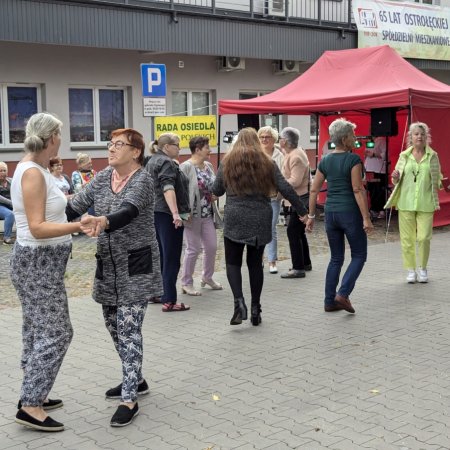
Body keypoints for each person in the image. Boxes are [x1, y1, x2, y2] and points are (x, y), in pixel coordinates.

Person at [67, 128, 163, 427]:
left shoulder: (143, 180)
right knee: (114, 326)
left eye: (118, 144)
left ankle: (129, 398)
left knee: (129, 328)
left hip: (136, 265)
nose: (111, 149)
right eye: (110, 144)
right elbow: (73, 206)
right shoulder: (102, 177)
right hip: (108, 265)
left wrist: (102, 221)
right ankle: (137, 379)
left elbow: (128, 211)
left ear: (135, 151)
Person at [11, 112, 82, 432]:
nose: (61, 142)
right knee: (57, 333)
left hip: (41, 265)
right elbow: (38, 228)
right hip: (38, 264)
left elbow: (50, 206)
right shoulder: (33, 173)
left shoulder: (36, 170)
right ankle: (31, 404)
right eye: (60, 136)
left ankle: (33, 390)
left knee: (37, 330)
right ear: (51, 138)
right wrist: (79, 225)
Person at [212, 127, 308, 326]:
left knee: (232, 262)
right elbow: (286, 188)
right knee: (255, 264)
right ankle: (256, 308)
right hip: (260, 215)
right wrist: (302, 211)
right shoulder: (268, 162)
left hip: (235, 216)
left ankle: (239, 302)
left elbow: (217, 190)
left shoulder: (227, 162)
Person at [306, 118, 373, 314]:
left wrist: (311, 215)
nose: (355, 138)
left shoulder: (325, 160)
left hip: (330, 213)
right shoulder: (353, 160)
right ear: (344, 139)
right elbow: (357, 189)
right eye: (352, 135)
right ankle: (343, 294)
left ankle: (329, 301)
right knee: (359, 255)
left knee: (336, 258)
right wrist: (366, 218)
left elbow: (314, 190)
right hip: (349, 213)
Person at [385, 122, 442, 284]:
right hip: (406, 202)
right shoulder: (404, 156)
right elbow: (395, 180)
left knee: (423, 238)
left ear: (426, 137)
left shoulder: (433, 156)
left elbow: (437, 178)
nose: (419, 137)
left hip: (426, 202)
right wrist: (395, 176)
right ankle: (410, 270)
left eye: (422, 134)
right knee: (407, 239)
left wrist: (444, 184)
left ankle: (422, 268)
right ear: (411, 137)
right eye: (416, 134)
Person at [146, 133, 191, 312]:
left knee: (161, 256)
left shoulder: (151, 161)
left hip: (155, 214)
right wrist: (175, 214)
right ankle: (170, 300)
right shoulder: (166, 163)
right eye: (177, 145)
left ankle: (157, 292)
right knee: (171, 258)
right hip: (166, 214)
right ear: (166, 147)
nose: (179, 148)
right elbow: (168, 187)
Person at [179, 136, 222, 296]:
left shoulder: (208, 166)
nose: (210, 150)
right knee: (193, 249)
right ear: (197, 149)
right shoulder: (185, 167)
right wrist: (183, 212)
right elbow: (180, 191)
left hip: (207, 214)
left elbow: (214, 185)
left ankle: (207, 277)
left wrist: (215, 195)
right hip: (192, 215)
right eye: (207, 147)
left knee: (211, 247)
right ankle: (186, 283)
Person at [279, 127, 312, 279]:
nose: (279, 140)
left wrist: (279, 186)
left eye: (280, 138)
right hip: (298, 198)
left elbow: (295, 180)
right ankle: (305, 263)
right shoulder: (293, 153)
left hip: (300, 198)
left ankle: (298, 267)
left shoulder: (296, 156)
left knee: (292, 231)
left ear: (285, 141)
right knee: (298, 231)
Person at [257, 126, 284, 274]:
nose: (264, 139)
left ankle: (272, 260)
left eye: (267, 137)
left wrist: (280, 194)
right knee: (258, 227)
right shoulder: (256, 155)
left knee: (270, 228)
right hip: (258, 198)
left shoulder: (280, 156)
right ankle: (258, 258)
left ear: (273, 139)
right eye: (261, 137)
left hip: (273, 197)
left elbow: (283, 177)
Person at [364, 136, 387, 219]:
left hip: (378, 170)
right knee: (371, 189)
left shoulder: (382, 140)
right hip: (369, 169)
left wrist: (374, 154)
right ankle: (373, 209)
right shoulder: (370, 141)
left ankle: (381, 210)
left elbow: (385, 154)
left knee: (379, 190)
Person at [0, 161, 15, 244]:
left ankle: (23, 236)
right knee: (10, 214)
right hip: (1, 206)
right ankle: (6, 238)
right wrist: (12, 202)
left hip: (11, 205)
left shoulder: (11, 181)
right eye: (0, 171)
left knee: (24, 212)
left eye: (4, 170)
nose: (2, 173)